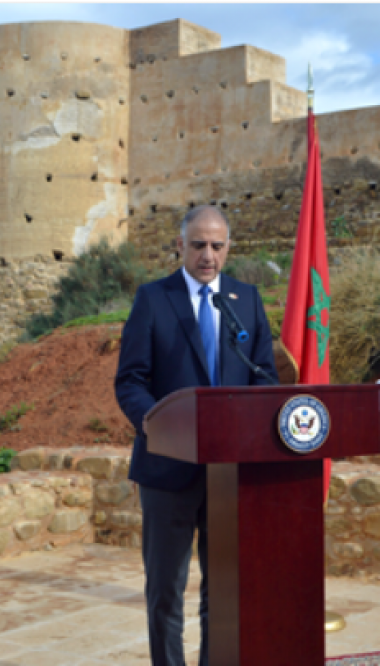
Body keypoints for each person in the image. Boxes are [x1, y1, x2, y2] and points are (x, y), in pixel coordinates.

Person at [114, 205, 278, 666]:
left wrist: (251, 429)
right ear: (180, 246)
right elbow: (130, 380)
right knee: (166, 592)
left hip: (230, 473)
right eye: (199, 245)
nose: (208, 255)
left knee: (223, 590)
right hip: (167, 471)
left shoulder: (245, 299)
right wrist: (155, 423)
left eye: (217, 245)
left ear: (228, 248)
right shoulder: (153, 298)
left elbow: (263, 376)